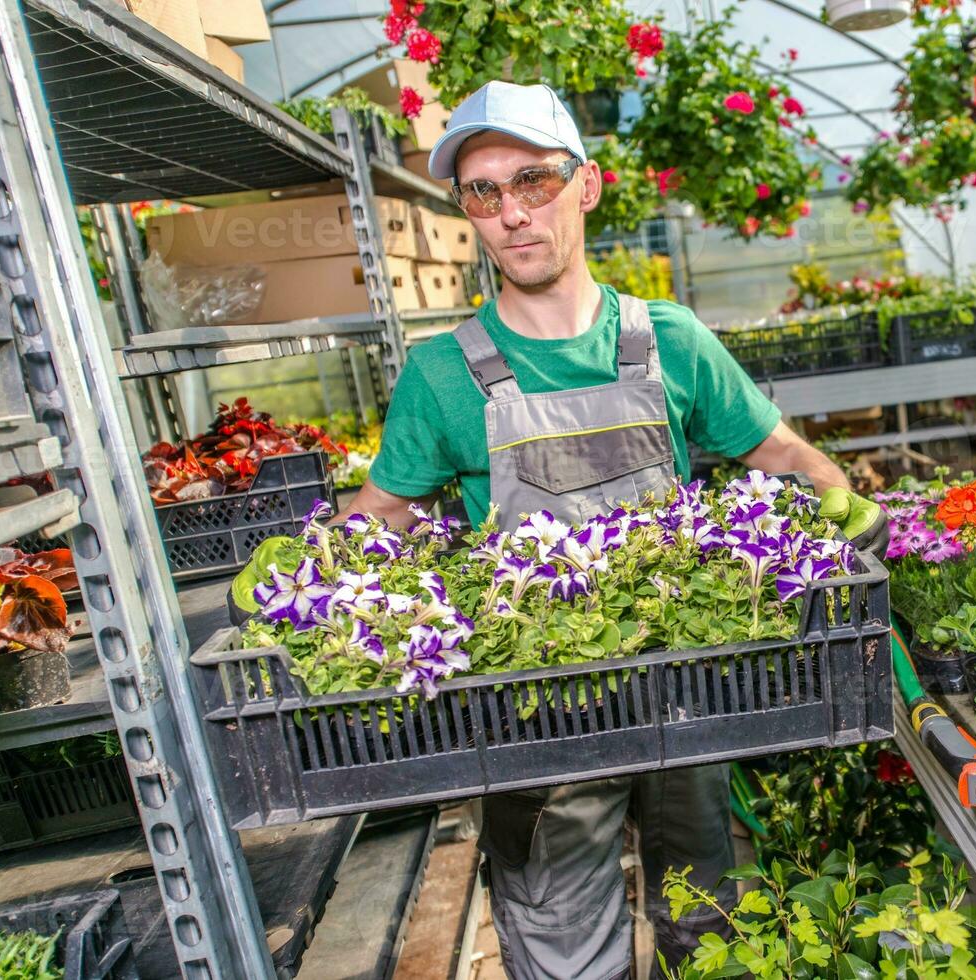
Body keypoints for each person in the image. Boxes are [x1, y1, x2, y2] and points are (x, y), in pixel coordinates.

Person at [234, 80, 887, 979]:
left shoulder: (670, 341)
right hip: (536, 721)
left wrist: (844, 520)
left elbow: (780, 456)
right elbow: (377, 520)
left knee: (709, 924)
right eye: (484, 192)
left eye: (533, 180)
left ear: (587, 185)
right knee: (561, 944)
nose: (511, 212)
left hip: (690, 693)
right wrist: (283, 603)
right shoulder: (444, 375)